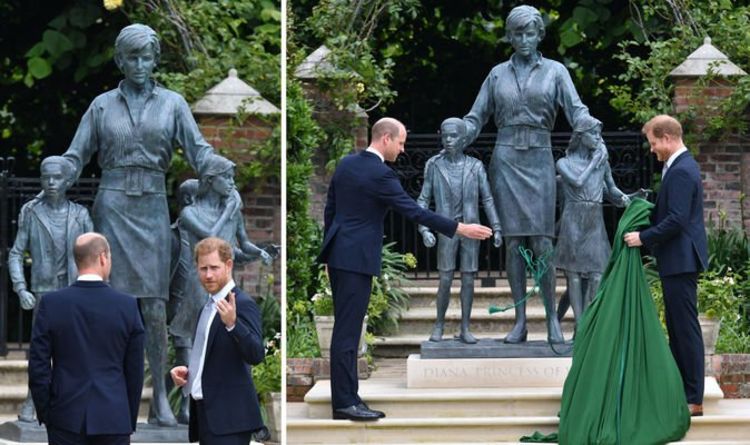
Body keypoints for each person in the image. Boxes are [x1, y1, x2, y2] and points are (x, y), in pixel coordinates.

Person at [61, 24, 218, 426]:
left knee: (152, 306)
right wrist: (59, 174)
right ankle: (104, 393)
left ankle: (159, 401)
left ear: (156, 60)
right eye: (132, 57)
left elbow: (198, 150)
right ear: (119, 60)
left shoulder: (173, 103)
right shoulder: (100, 106)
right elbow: (76, 155)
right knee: (105, 303)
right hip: (112, 206)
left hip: (150, 208)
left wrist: (218, 168)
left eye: (147, 57)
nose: (140, 65)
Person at [318, 117, 493, 421]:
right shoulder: (380, 174)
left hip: (340, 256)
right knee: (347, 332)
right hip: (356, 260)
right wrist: (460, 228)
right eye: (400, 143)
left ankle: (348, 398)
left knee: (346, 330)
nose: (402, 150)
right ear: (385, 139)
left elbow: (330, 211)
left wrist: (329, 252)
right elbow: (414, 211)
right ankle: (345, 403)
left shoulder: (346, 164)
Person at [462, 5, 591, 344]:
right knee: (514, 241)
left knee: (542, 241)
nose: (523, 39)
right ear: (510, 36)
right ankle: (519, 322)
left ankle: (551, 319)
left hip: (539, 159)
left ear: (539, 35)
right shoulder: (496, 74)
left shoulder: (556, 72)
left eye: (529, 33)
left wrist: (592, 130)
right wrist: (461, 131)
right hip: (505, 160)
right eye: (517, 33)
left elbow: (576, 110)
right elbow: (477, 117)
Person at [169, 155, 272, 424]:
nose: (231, 183)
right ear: (210, 180)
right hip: (197, 280)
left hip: (221, 281)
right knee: (190, 336)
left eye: (232, 177)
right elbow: (211, 241)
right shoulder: (190, 212)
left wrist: (260, 252)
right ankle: (187, 404)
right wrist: (229, 209)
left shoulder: (232, 208)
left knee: (222, 341)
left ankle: (213, 401)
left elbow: (243, 245)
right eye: (226, 177)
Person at [624, 114, 708, 416]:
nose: (652, 149)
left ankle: (694, 398)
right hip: (676, 259)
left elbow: (677, 219)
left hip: (682, 260)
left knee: (685, 329)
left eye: (653, 143)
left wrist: (643, 237)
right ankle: (682, 393)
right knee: (677, 327)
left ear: (667, 138)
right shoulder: (676, 167)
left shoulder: (683, 170)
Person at [28, 233, 145, 444]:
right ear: (103, 257)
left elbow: (38, 367)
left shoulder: (51, 304)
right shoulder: (127, 306)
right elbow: (134, 371)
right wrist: (127, 417)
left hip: (65, 417)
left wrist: (47, 414)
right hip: (114, 417)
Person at [7, 155, 93, 423]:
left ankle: (73, 403)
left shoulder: (80, 215)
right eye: (47, 177)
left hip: (74, 291)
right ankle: (33, 401)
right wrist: (21, 288)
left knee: (76, 349)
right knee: (40, 351)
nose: (52, 182)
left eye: (57, 177)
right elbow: (15, 253)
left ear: (68, 180)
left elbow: (96, 254)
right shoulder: (31, 212)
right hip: (44, 292)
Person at [170, 237, 266, 444]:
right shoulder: (208, 307)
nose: (208, 275)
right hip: (206, 416)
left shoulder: (242, 304)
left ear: (229, 265)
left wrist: (233, 325)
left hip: (230, 421)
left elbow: (256, 354)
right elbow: (212, 355)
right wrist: (188, 371)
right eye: (203, 269)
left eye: (214, 267)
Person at [416, 117, 502, 344]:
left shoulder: (475, 166)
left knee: (468, 279)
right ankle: (439, 325)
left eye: (453, 136)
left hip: (471, 230)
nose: (448, 140)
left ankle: (465, 327)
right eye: (445, 136)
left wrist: (497, 227)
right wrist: (424, 229)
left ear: (464, 139)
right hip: (447, 230)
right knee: (444, 279)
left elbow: (488, 198)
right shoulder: (434, 165)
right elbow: (423, 201)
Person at [555, 117, 629, 325]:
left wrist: (627, 198)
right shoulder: (564, 163)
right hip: (573, 218)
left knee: (597, 273)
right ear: (580, 136)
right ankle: (580, 326)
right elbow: (578, 182)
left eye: (599, 134)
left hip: (594, 218)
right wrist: (595, 163)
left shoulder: (601, 163)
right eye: (593, 134)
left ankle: (591, 321)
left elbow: (610, 189)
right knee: (574, 275)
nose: (598, 138)